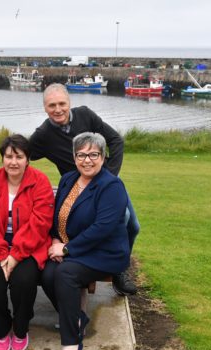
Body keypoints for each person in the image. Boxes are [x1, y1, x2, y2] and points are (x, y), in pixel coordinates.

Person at [29, 83, 138, 296]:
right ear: (45, 108)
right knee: (78, 226)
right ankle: (84, 260)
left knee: (131, 224)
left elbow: (115, 140)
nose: (58, 109)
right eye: (52, 105)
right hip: (76, 189)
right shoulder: (43, 134)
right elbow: (23, 154)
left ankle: (119, 268)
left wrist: (110, 177)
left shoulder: (85, 115)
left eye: (62, 104)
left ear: (70, 103)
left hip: (106, 184)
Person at [42, 132, 130, 350]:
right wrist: (53, 240)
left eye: (93, 154)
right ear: (74, 156)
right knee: (47, 273)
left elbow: (103, 228)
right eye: (81, 154)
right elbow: (56, 214)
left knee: (65, 274)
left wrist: (67, 248)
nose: (87, 160)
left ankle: (71, 344)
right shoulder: (68, 179)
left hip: (103, 252)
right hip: (68, 247)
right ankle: (77, 318)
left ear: (103, 157)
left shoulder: (111, 185)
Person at [0, 135, 54, 350]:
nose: (13, 162)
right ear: (2, 158)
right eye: (8, 156)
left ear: (27, 159)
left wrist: (16, 255)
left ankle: (20, 328)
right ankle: (1, 327)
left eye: (19, 157)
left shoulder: (40, 182)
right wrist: (2, 254)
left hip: (30, 246)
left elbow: (40, 223)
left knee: (24, 280)